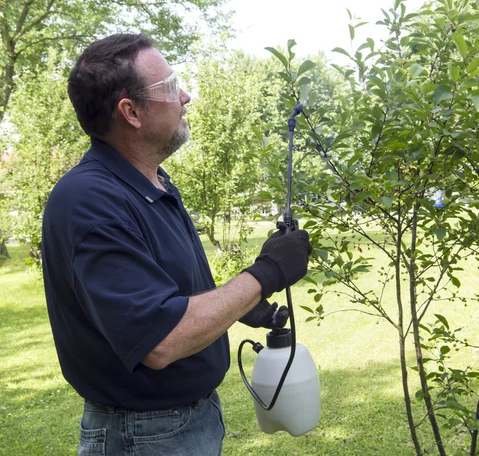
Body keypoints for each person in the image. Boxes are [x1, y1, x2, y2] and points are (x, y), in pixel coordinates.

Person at [41, 33, 312, 456]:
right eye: (169, 87)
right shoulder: (90, 200)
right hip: (145, 435)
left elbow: (167, 293)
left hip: (180, 424)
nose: (185, 96)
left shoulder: (151, 183)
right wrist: (267, 273)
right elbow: (160, 340)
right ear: (130, 112)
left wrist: (237, 304)